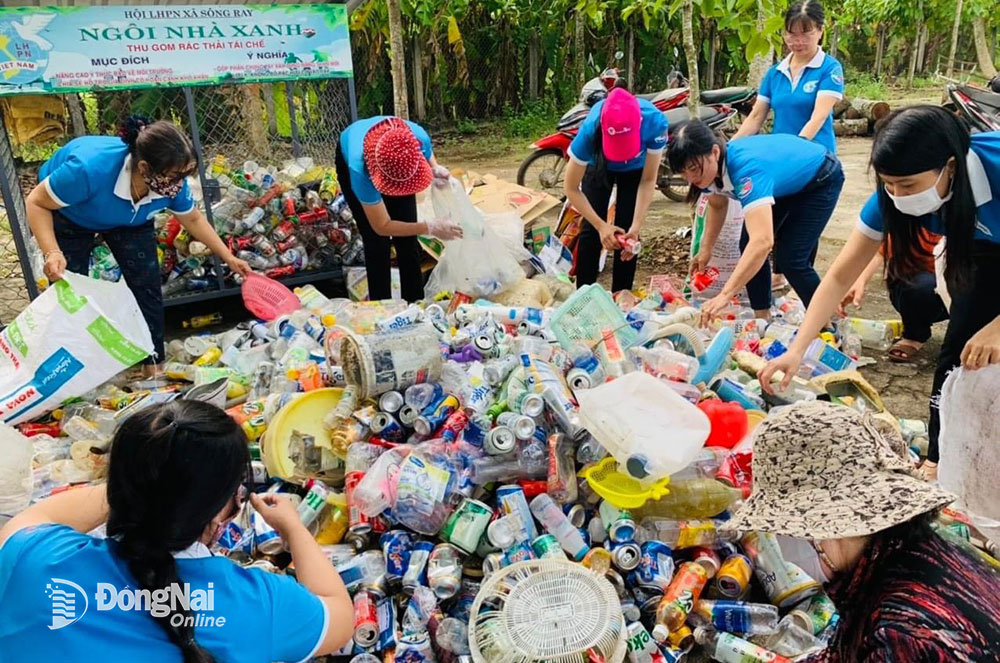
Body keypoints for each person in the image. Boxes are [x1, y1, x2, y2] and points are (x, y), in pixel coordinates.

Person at [0, 400, 353, 662]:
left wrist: (140, 481)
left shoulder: (33, 559)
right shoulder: (257, 603)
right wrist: (294, 529)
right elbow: (339, 616)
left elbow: (39, 514)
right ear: (219, 509)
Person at [760, 107, 1000, 481]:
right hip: (983, 250)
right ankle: (943, 460)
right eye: (889, 184)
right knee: (960, 357)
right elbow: (839, 275)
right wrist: (797, 349)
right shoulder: (890, 197)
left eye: (908, 186)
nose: (898, 195)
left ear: (950, 167)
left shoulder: (995, 169)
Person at [722, 402, 1000, 663]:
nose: (782, 543)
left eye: (783, 528)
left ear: (824, 526)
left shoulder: (901, 638)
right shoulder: (911, 552)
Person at [25, 115, 251, 366]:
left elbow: (193, 218)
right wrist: (52, 252)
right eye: (175, 176)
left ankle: (151, 365)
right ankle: (71, 365)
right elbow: (36, 202)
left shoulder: (170, 183)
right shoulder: (87, 169)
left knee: (147, 286)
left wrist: (228, 257)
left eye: (184, 176)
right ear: (144, 168)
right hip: (72, 214)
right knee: (69, 290)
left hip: (132, 219)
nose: (180, 185)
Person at [667, 120, 844, 321]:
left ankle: (825, 322)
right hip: (784, 182)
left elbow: (762, 241)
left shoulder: (745, 171)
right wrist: (705, 249)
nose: (690, 178)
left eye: (693, 169)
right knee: (746, 245)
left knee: (791, 258)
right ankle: (762, 319)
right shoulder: (708, 172)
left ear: (715, 152)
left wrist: (725, 295)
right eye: (683, 173)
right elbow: (717, 205)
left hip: (820, 177)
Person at [733, 0, 845, 291]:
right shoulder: (775, 73)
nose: (797, 41)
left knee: (803, 228)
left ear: (820, 31)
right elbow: (756, 117)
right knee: (766, 227)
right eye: (791, 34)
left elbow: (818, 116)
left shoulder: (829, 68)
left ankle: (798, 285)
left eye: (805, 33)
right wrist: (729, 150)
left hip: (815, 160)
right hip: (777, 164)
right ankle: (774, 281)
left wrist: (796, 151)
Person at [336, 116, 462, 302]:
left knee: (408, 240)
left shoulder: (416, 137)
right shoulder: (358, 168)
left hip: (396, 162)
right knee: (376, 243)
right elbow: (382, 226)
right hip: (360, 159)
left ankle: (415, 304)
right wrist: (430, 227)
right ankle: (382, 306)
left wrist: (435, 168)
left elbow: (427, 154)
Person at [564, 87, 668, 291]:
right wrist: (601, 226)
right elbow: (571, 188)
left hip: (635, 169)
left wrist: (636, 226)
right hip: (599, 163)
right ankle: (585, 295)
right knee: (591, 231)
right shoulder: (590, 130)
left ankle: (622, 296)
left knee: (627, 230)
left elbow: (648, 180)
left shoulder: (654, 123)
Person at [843, 227, 948, 362]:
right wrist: (859, 282)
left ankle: (964, 337)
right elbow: (878, 254)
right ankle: (914, 335)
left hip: (957, 289)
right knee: (919, 285)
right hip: (917, 287)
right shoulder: (913, 223)